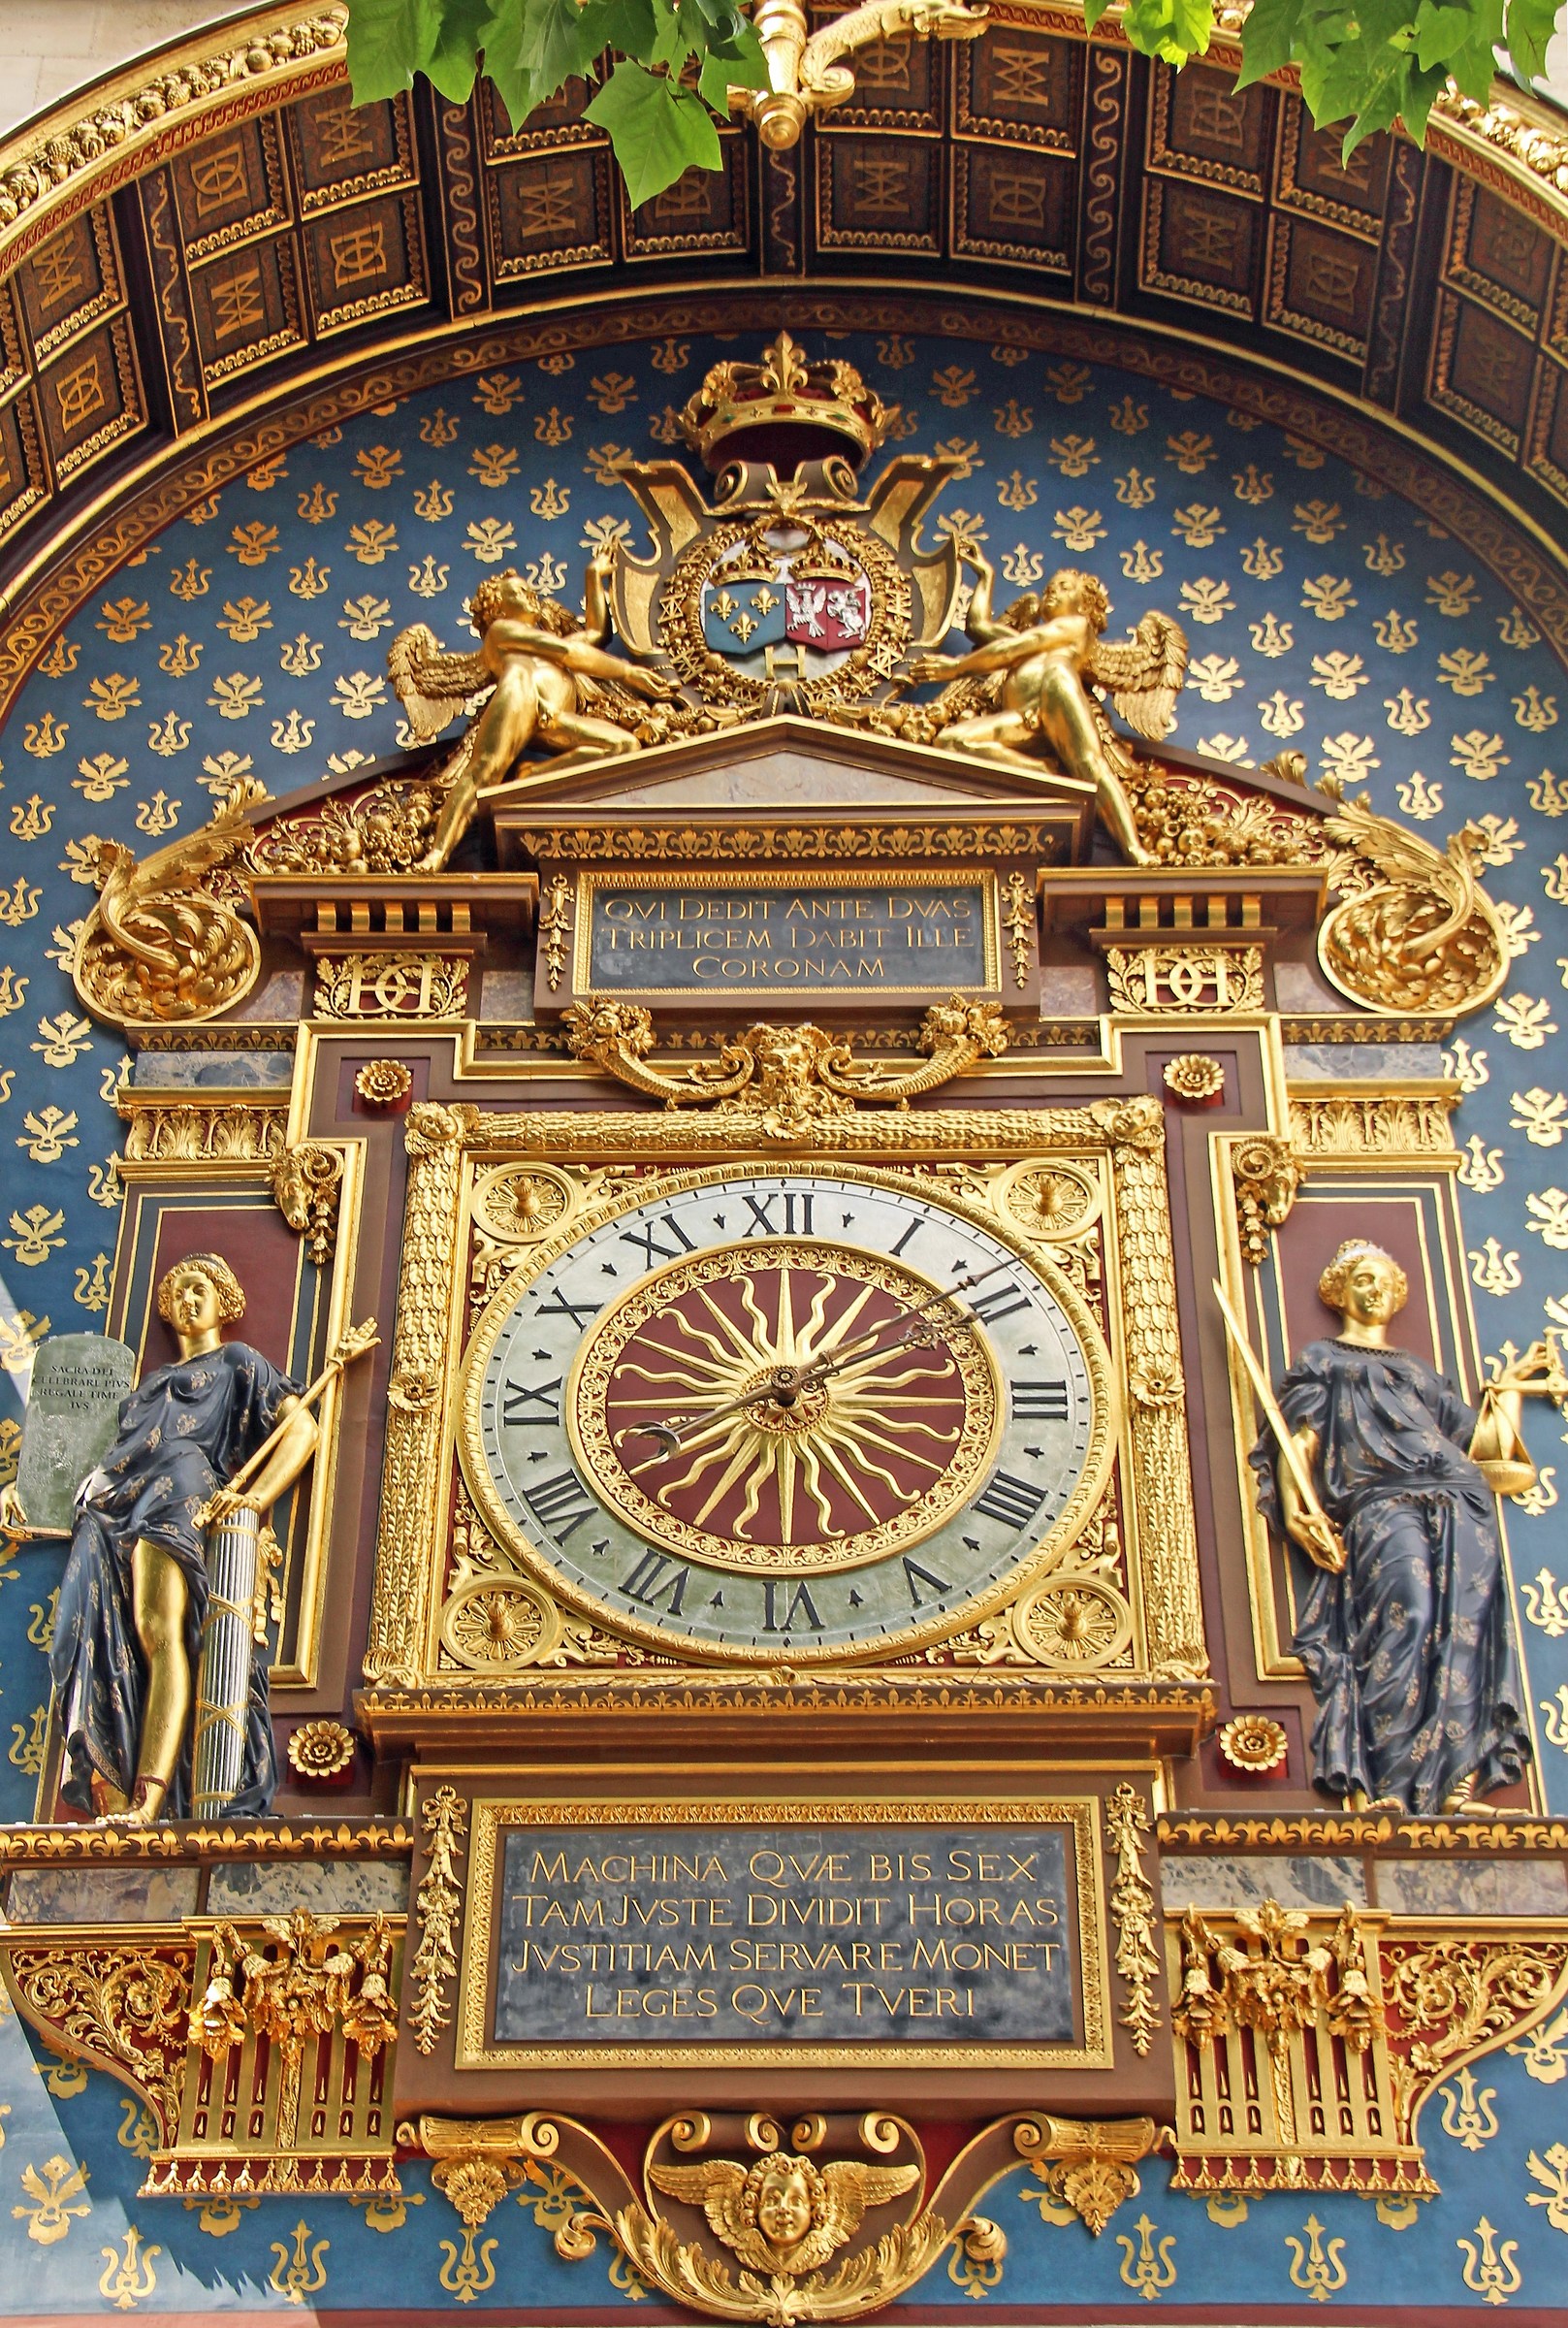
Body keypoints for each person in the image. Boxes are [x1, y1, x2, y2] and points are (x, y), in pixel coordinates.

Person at [1250, 1239, 1541, 1815]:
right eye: (1362, 1277)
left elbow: (1481, 1451)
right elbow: (1300, 1440)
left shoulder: (1418, 1372)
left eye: (1383, 1279)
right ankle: (1392, 1783)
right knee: (1406, 1616)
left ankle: (1454, 1787)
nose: (1375, 1287)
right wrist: (1294, 1507)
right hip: (1382, 1501)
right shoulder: (1324, 1360)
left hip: (1463, 1502)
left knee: (1464, 1634)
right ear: (1339, 1291)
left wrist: (1507, 1391)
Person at [50, 1253, 316, 1825]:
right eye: (177, 1295)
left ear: (225, 1301)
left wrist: (254, 1497)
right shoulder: (149, 1387)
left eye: (200, 1289)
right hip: (116, 1507)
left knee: (160, 1631)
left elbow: (302, 1429)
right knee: (110, 1631)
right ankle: (118, 1786)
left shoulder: (238, 1363)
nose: (187, 1301)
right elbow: (109, 1463)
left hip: (182, 1493)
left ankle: (148, 1799)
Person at [398, 547, 680, 870]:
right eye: (518, 591)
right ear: (497, 607)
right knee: (483, 773)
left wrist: (593, 576)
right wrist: (629, 672)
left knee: (623, 745)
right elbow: (566, 652)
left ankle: (531, 776)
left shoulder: (542, 641)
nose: (530, 594)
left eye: (529, 589)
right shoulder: (501, 632)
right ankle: (439, 853)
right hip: (521, 695)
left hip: (554, 715)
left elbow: (595, 634)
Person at [907, 548, 1180, 866]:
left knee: (1091, 766)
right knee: (951, 741)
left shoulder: (1076, 626)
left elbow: (1012, 649)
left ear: (1083, 603)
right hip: (1026, 717)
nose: (1053, 592)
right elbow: (979, 627)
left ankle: (1133, 848)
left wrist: (953, 670)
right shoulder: (1032, 637)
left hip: (1056, 691)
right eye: (1050, 587)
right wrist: (985, 577)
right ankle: (1044, 774)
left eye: (1065, 588)